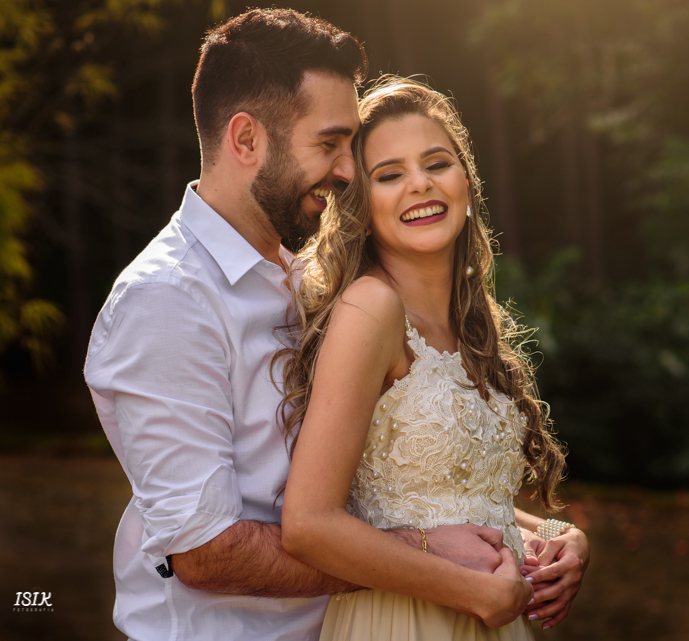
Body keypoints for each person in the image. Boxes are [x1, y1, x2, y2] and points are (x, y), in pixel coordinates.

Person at [84, 8, 588, 640]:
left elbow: (400, 484)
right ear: (246, 140)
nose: (347, 170)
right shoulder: (165, 303)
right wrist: (424, 555)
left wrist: (550, 536)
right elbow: (205, 552)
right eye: (329, 144)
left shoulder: (306, 281)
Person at [277, 76, 583, 639]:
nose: (419, 184)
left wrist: (559, 534)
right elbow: (308, 525)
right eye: (389, 175)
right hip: (405, 621)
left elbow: (455, 499)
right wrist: (472, 591)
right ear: (361, 205)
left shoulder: (470, 325)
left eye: (436, 164)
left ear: (465, 183)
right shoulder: (371, 310)